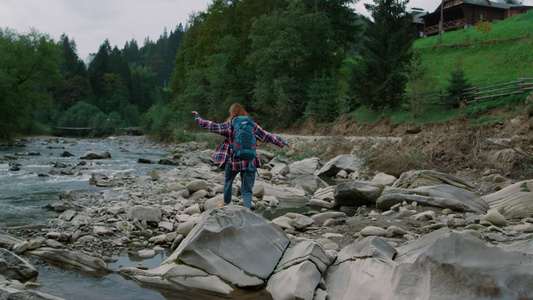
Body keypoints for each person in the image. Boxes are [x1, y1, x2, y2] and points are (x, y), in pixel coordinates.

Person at [191, 103, 289, 209]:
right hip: (250, 161)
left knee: (228, 181)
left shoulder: (230, 125)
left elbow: (212, 126)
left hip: (234, 161)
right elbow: (267, 136)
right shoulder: (252, 125)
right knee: (247, 190)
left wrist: (198, 117)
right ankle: (247, 211)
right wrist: (282, 142)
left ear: (232, 113)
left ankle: (227, 204)